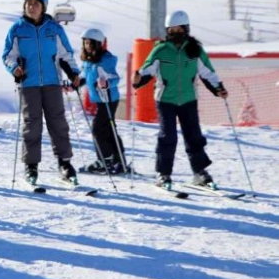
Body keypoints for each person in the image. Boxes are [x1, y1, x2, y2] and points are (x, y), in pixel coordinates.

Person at [133, 10, 228, 189]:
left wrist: (218, 88)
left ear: (186, 29)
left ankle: (200, 172)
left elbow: (207, 72)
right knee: (167, 137)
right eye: (171, 30)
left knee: (194, 136)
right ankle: (163, 174)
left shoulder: (195, 50)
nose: (174, 33)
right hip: (165, 99)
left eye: (178, 29)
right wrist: (138, 79)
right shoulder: (160, 50)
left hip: (188, 99)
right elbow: (146, 70)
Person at [2, 0, 81, 186]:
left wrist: (73, 73)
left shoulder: (54, 29)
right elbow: (8, 56)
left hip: (52, 83)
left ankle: (65, 163)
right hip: (28, 83)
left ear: (43, 6)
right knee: (32, 125)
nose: (31, 6)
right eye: (28, 3)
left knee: (58, 123)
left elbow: (66, 55)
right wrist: (15, 69)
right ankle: (31, 165)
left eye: (36, 3)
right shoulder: (17, 29)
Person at [78, 28, 127, 174]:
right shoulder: (88, 61)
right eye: (85, 43)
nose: (87, 46)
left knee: (98, 128)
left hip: (109, 99)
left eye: (90, 43)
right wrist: (74, 83)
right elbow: (85, 77)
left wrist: (106, 83)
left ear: (98, 44)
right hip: (100, 100)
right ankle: (119, 161)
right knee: (109, 130)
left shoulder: (105, 60)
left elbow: (115, 78)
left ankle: (105, 161)